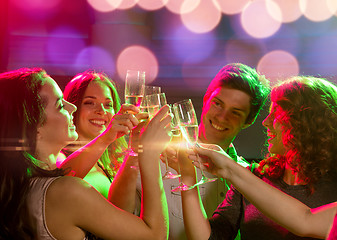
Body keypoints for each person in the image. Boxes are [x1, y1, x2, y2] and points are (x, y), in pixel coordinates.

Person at [0, 67, 170, 239]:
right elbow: (155, 235)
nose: (72, 107)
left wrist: (112, 140)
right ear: (34, 126)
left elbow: (65, 173)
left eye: (108, 104)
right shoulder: (67, 191)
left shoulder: (24, 185)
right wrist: (149, 155)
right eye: (60, 105)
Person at [181, 75, 337, 240]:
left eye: (276, 115)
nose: (265, 122)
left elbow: (305, 221)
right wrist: (187, 175)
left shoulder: (333, 187)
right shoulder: (255, 177)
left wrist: (228, 167)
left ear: (304, 124)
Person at [155, 63, 270, 239]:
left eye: (236, 112)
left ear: (249, 121)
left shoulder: (250, 180)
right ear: (206, 99)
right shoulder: (161, 158)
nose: (222, 117)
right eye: (218, 104)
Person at [57, 71, 145, 204]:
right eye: (90, 103)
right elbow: (58, 184)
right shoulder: (59, 156)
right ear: (72, 107)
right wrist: (106, 138)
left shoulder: (114, 159)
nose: (102, 110)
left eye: (108, 104)